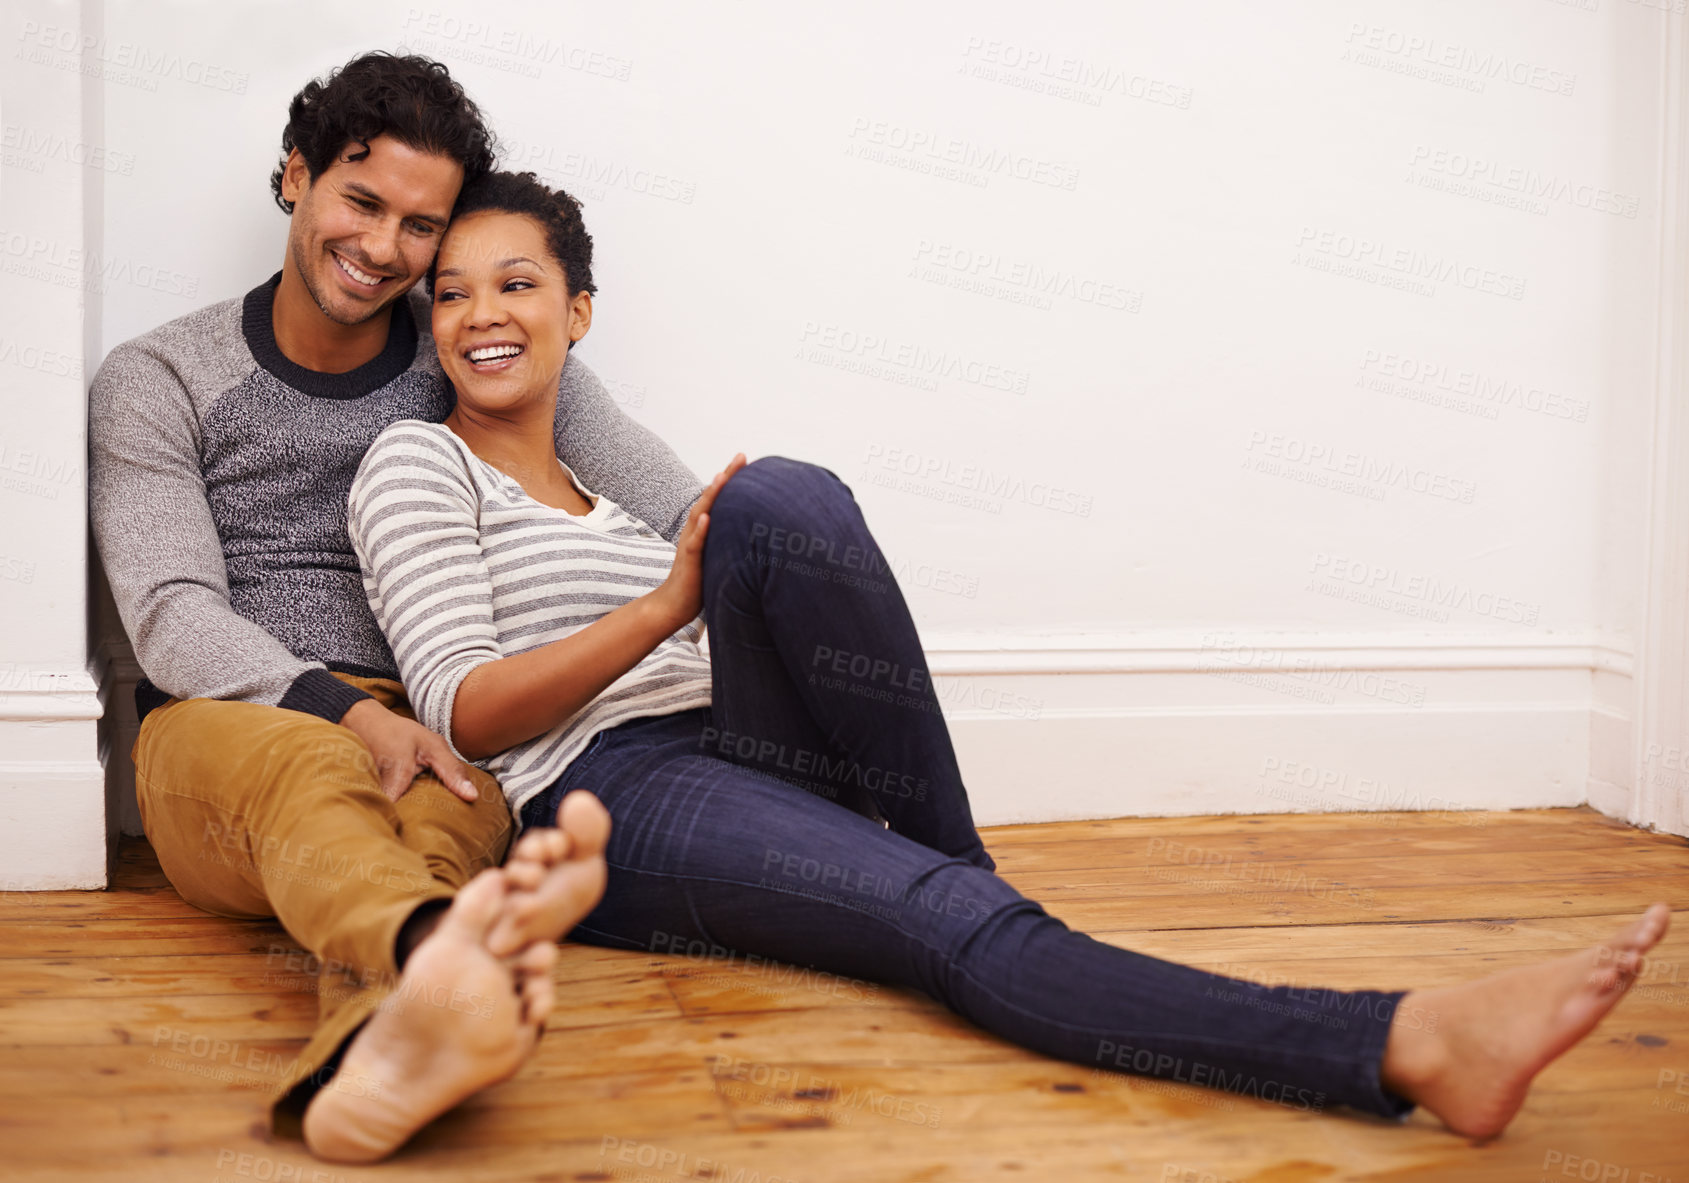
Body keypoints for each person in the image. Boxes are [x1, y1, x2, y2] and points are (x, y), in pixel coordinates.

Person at [345, 168, 1674, 1161]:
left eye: (514, 281)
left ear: (577, 308)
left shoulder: (613, 484)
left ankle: (961, 881)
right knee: (934, 914)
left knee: (778, 494)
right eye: (448, 291)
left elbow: (753, 556)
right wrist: (666, 605)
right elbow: (464, 702)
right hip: (615, 794)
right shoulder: (414, 462)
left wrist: (698, 572)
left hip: (731, 734)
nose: (478, 314)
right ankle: (1400, 1038)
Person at [86, 52, 696, 1158]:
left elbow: (678, 508)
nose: (383, 250)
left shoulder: (475, 346)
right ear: (295, 179)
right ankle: (437, 961)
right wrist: (351, 713)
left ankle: (397, 1038)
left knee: (430, 832)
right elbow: (171, 615)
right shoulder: (160, 377)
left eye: (422, 227)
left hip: (446, 726)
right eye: (361, 201)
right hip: (227, 728)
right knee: (320, 773)